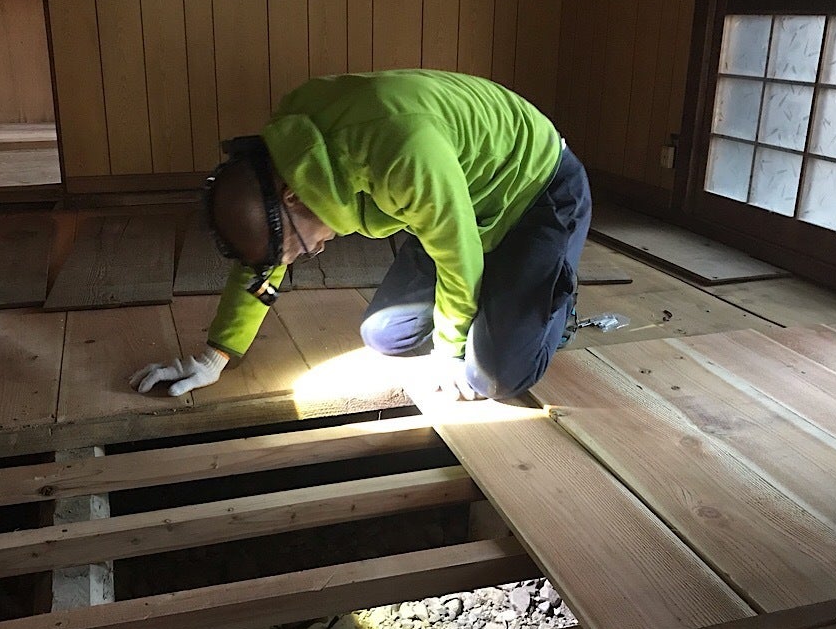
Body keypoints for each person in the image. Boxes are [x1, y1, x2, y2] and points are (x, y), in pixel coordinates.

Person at [130, 69, 591, 401]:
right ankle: (501, 291)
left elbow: (457, 252)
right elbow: (267, 253)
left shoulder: (401, 152)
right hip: (458, 200)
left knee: (493, 375)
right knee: (385, 335)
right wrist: (214, 357)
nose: (310, 252)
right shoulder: (288, 158)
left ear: (294, 197)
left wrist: (450, 353)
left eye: (301, 250)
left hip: (535, 189)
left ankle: (553, 297)